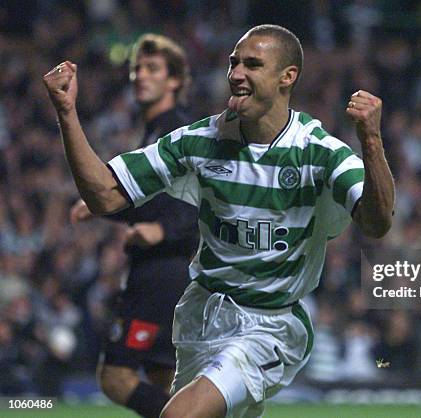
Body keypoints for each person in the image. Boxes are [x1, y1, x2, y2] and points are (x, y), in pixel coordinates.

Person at [43, 24, 394, 418]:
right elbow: (105, 194)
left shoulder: (322, 154)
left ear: (287, 77)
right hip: (201, 315)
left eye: (253, 64)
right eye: (234, 63)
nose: (237, 74)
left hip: (269, 325)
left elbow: (376, 223)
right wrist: (67, 113)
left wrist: (372, 142)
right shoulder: (200, 140)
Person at [69, 34, 199, 418]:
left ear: (174, 80)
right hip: (165, 268)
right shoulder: (154, 131)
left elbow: (200, 194)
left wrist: (165, 230)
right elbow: (149, 200)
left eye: (152, 69)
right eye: (137, 69)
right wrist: (103, 207)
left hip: (162, 270)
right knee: (163, 378)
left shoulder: (176, 131)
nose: (140, 76)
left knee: (115, 377)